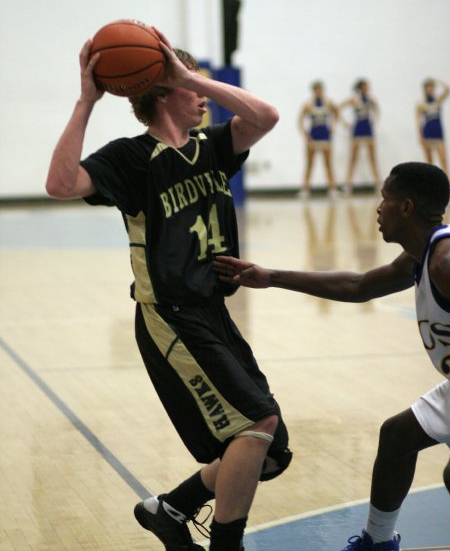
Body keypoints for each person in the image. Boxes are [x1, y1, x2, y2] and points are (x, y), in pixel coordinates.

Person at [45, 29, 292, 551]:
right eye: (189, 85)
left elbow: (267, 116)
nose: (203, 92)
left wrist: (186, 73)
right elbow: (60, 184)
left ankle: (171, 509)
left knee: (270, 450)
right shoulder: (131, 159)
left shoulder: (214, 147)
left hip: (214, 313)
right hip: (170, 317)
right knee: (256, 423)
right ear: (159, 91)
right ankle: (227, 545)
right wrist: (86, 101)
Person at [214, 162, 450, 550]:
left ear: (406, 208)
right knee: (397, 438)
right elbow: (358, 285)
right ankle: (377, 542)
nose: (378, 208)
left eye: (385, 199)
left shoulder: (444, 262)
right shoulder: (419, 257)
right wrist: (271, 277)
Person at [298, 81, 339, 197]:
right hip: (313, 135)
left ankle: (332, 189)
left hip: (325, 135)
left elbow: (337, 112)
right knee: (309, 164)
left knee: (328, 163)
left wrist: (333, 126)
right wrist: (305, 133)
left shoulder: (328, 102)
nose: (318, 92)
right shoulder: (308, 104)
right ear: (313, 91)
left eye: (320, 89)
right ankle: (305, 189)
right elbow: (300, 119)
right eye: (316, 90)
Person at [340, 79, 381, 194]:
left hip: (368, 129)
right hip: (357, 129)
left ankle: (378, 185)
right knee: (353, 158)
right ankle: (348, 186)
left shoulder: (371, 99)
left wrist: (374, 121)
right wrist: (345, 124)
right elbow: (338, 108)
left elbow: (377, 110)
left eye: (367, 87)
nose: (366, 89)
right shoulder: (354, 99)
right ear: (360, 88)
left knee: (372, 158)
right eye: (364, 87)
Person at [416, 77, 449, 175]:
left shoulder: (438, 100)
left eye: (431, 88)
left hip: (438, 133)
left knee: (443, 160)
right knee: (429, 163)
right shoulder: (421, 104)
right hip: (428, 133)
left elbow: (447, 89)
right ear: (425, 90)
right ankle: (430, 185)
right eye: (428, 88)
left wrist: (436, 81)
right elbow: (418, 122)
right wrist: (420, 137)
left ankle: (447, 183)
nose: (430, 90)